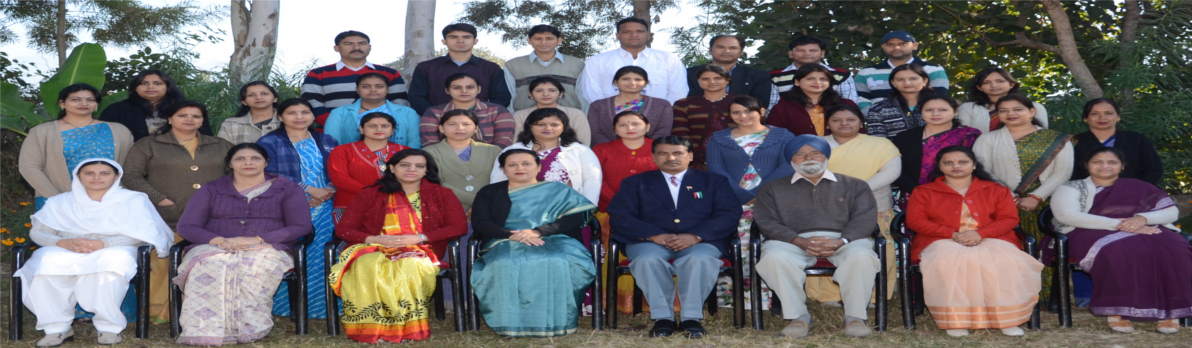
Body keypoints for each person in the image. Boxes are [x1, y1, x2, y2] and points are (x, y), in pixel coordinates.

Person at [15, 159, 173, 347]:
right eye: (89, 173)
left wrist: (103, 243)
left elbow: (144, 234)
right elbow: (38, 232)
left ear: (117, 176)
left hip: (115, 247)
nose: (96, 177)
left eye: (104, 173)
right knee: (45, 267)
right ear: (78, 176)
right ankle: (56, 328)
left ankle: (109, 328)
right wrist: (62, 242)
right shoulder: (60, 201)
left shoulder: (133, 200)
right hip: (65, 247)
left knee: (108, 267)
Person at [173, 144, 312, 345]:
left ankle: (247, 328)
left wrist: (258, 240)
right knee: (209, 265)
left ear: (266, 162)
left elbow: (300, 226)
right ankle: (204, 330)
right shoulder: (212, 189)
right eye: (240, 158)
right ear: (230, 163)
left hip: (267, 247)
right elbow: (187, 226)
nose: (248, 162)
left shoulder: (287, 189)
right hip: (215, 246)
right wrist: (219, 241)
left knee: (250, 267)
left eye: (255, 158)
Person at [608, 136, 742, 338]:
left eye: (677, 153)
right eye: (663, 153)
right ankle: (664, 318)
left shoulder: (713, 182)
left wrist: (697, 235)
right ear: (653, 157)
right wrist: (653, 235)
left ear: (689, 156)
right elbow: (620, 216)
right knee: (647, 260)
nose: (670, 157)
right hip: (649, 241)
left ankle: (691, 318)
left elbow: (729, 214)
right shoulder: (635, 183)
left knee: (699, 260)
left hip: (700, 241)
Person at [329, 149, 468, 343]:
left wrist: (419, 237)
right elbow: (343, 229)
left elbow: (459, 226)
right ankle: (372, 327)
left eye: (419, 166)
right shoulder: (369, 194)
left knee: (409, 265)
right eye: (405, 165)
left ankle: (404, 326)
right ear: (392, 168)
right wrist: (373, 239)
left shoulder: (441, 194)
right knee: (365, 266)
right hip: (374, 246)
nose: (412, 169)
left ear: (427, 171)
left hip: (420, 248)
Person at [1051, 147, 1191, 334]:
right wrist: (1120, 225)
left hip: (1145, 227)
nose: (1105, 166)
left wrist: (1142, 219)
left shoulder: (1140, 186)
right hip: (1090, 230)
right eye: (1097, 161)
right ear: (1087, 165)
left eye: (1112, 162)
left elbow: (1171, 211)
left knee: (1175, 248)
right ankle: (1118, 313)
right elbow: (1067, 215)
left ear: (1122, 166)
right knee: (1119, 251)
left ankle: (1169, 313)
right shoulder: (1071, 187)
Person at [906, 145, 1041, 337]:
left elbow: (1009, 219)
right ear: (940, 166)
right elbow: (915, 221)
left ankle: (1006, 319)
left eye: (962, 162)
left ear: (974, 165)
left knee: (1005, 261)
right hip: (940, 239)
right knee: (949, 261)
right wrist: (952, 234)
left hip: (991, 237)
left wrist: (980, 233)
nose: (956, 166)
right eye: (949, 163)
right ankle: (956, 320)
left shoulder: (997, 190)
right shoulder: (924, 191)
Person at [753, 135, 880, 338]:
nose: (808, 158)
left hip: (844, 239)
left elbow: (865, 219)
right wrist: (799, 241)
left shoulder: (854, 185)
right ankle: (798, 317)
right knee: (773, 257)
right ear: (791, 160)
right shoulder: (772, 188)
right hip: (792, 241)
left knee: (861, 256)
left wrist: (842, 240)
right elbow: (767, 221)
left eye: (815, 153)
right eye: (800, 154)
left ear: (826, 156)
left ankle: (855, 318)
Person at [122, 101, 234, 323]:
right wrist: (160, 199)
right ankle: (161, 312)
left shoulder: (221, 145)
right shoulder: (149, 144)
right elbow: (130, 176)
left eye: (196, 116)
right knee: (164, 262)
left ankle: (209, 310)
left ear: (203, 121)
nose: (190, 119)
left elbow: (236, 174)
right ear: (170, 119)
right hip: (166, 216)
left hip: (213, 218)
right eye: (183, 115)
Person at [470, 149, 597, 337]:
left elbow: (574, 218)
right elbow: (480, 221)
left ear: (538, 167)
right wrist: (511, 234)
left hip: (556, 239)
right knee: (504, 263)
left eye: (526, 163)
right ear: (504, 169)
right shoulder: (490, 192)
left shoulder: (558, 190)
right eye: (512, 164)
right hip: (504, 240)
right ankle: (509, 323)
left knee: (557, 261)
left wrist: (538, 231)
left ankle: (558, 323)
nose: (519, 168)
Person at [973, 93, 1074, 306]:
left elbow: (1063, 171)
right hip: (999, 205)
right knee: (1006, 249)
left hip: (1047, 205)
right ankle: (1006, 298)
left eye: (1017, 109)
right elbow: (983, 171)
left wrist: (1037, 196)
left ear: (1032, 112)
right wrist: (1010, 198)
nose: (1011, 114)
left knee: (1045, 248)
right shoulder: (987, 140)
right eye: (1004, 110)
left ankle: (1044, 298)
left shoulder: (1057, 139)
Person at [806, 104, 900, 306]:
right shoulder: (816, 144)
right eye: (837, 120)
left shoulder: (880, 144)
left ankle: (873, 294)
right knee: (825, 245)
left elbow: (891, 172)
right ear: (828, 124)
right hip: (825, 206)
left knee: (876, 249)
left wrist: (857, 189)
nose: (844, 124)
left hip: (873, 204)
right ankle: (829, 294)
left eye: (850, 119)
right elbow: (806, 171)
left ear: (861, 122)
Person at [256, 98, 340, 319]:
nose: (299, 117)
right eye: (292, 112)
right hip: (289, 206)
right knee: (292, 254)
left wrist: (328, 190)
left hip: (325, 205)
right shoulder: (270, 141)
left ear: (313, 116)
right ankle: (286, 306)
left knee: (323, 254)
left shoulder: (327, 139)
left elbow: (340, 168)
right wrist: (308, 189)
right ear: (281, 117)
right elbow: (268, 172)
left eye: (305, 112)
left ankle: (324, 306)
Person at [20, 83, 134, 210]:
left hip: (109, 201)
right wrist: (58, 198)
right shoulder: (42, 132)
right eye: (76, 99)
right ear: (62, 103)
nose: (84, 103)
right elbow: (29, 167)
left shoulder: (119, 131)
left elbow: (130, 167)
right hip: (57, 200)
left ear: (96, 104)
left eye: (90, 100)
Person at [591, 111, 659, 313]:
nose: (630, 128)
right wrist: (622, 205)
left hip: (655, 211)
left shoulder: (661, 148)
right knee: (607, 233)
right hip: (611, 210)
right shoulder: (601, 149)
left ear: (647, 126)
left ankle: (653, 302)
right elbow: (596, 181)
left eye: (635, 123)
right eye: (623, 124)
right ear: (614, 129)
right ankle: (613, 301)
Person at [492, 108, 602, 205]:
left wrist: (587, 207)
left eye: (554, 125)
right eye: (541, 124)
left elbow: (592, 180)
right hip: (519, 206)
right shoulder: (512, 150)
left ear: (563, 127)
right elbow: (498, 179)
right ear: (530, 126)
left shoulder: (579, 150)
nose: (548, 128)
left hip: (566, 206)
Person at [302, 30, 409, 130]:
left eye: (362, 43)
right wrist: (341, 126)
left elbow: (399, 105)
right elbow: (313, 106)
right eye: (348, 44)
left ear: (369, 47)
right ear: (337, 48)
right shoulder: (318, 74)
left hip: (381, 133)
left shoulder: (390, 73)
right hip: (333, 134)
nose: (356, 47)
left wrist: (375, 126)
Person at [408, 23, 511, 115]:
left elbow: (501, 98)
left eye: (466, 37)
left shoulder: (491, 68)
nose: (460, 41)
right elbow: (416, 97)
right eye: (453, 37)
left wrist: (481, 116)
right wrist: (437, 116)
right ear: (444, 41)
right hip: (437, 124)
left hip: (482, 123)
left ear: (475, 41)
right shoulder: (426, 68)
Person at [891, 95, 982, 198]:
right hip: (913, 195)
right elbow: (894, 169)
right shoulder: (905, 137)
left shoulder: (969, 135)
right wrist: (918, 191)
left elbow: (977, 167)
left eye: (943, 109)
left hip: (957, 195)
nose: (935, 114)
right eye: (929, 110)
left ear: (955, 111)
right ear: (921, 112)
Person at [580, 17, 688, 104]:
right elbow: (591, 92)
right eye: (627, 32)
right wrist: (612, 113)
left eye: (640, 31)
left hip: (659, 119)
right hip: (611, 119)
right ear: (617, 36)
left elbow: (679, 91)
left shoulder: (669, 59)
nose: (634, 35)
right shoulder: (597, 61)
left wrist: (660, 112)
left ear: (648, 35)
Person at [327, 113, 412, 221]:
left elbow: (414, 177)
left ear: (393, 130)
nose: (379, 129)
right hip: (352, 205)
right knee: (356, 237)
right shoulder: (343, 151)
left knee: (395, 238)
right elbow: (340, 180)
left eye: (385, 126)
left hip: (397, 206)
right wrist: (374, 194)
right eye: (372, 126)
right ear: (361, 129)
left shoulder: (406, 151)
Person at [1070, 98, 1163, 185]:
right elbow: (1068, 172)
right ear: (1085, 117)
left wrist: (1139, 190)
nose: (1102, 118)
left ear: (1118, 116)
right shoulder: (1072, 142)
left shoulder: (1137, 139)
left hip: (1133, 197)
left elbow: (1154, 169)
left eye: (1108, 113)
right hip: (1087, 197)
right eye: (1094, 113)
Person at [424, 110, 502, 212]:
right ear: (441, 128)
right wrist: (478, 202)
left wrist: (482, 205)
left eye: (466, 124)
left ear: (476, 128)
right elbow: (436, 183)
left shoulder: (493, 151)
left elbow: (501, 181)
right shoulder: (429, 153)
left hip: (489, 209)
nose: (460, 128)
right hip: (445, 208)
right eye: (452, 124)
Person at [853, 31, 948, 114]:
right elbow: (860, 99)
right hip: (880, 125)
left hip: (925, 125)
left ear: (915, 46)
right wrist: (877, 116)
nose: (896, 47)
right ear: (883, 46)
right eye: (890, 44)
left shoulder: (933, 70)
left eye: (902, 44)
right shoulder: (866, 73)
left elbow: (938, 98)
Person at [101, 69, 207, 141]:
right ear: (135, 87)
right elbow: (104, 140)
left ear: (168, 86)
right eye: (144, 83)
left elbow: (206, 138)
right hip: (131, 163)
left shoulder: (187, 109)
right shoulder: (116, 110)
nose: (150, 87)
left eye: (157, 83)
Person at [323, 73, 421, 148]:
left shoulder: (407, 113)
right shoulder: (339, 113)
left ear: (387, 89)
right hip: (352, 165)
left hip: (399, 166)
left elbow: (415, 144)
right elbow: (332, 145)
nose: (373, 90)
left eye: (379, 86)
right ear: (357, 89)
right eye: (366, 86)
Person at [418, 73, 516, 148]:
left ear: (479, 89)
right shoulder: (434, 113)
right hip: (444, 163)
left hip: (491, 162)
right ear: (447, 90)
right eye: (457, 88)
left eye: (470, 87)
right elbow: (430, 144)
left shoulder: (497, 111)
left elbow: (504, 142)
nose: (464, 91)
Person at [503, 24, 587, 112]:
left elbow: (583, 96)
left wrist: (584, 120)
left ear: (559, 40)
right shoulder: (513, 65)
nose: (543, 42)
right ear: (529, 41)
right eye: (538, 39)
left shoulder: (576, 64)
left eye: (549, 38)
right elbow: (509, 97)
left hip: (570, 120)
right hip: (525, 121)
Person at [672, 64, 741, 170]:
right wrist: (698, 154)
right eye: (705, 79)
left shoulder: (742, 102)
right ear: (698, 81)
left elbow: (752, 128)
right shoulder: (683, 104)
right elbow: (680, 132)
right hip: (695, 161)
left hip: (739, 158)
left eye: (717, 78)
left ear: (728, 80)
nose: (712, 82)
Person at [588, 66, 674, 145]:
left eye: (638, 79)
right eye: (625, 79)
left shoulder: (662, 105)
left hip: (649, 154)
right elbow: (595, 132)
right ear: (616, 82)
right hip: (608, 155)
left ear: (645, 83)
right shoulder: (598, 106)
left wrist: (646, 148)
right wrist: (613, 150)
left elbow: (663, 130)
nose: (632, 82)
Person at [768, 64, 859, 136]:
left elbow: (860, 133)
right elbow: (775, 138)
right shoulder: (782, 108)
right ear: (797, 82)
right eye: (810, 78)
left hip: (843, 154)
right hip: (798, 155)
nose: (818, 82)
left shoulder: (846, 105)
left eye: (823, 79)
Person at [685, 35, 773, 107]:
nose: (726, 51)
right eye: (720, 47)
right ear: (710, 49)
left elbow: (760, 104)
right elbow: (687, 101)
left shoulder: (758, 76)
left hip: (743, 123)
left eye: (733, 48)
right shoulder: (689, 74)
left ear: (741, 51)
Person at [770, 35, 858, 105]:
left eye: (813, 50)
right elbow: (771, 106)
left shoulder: (841, 75)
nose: (807, 53)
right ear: (790, 54)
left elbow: (849, 104)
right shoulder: (775, 77)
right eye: (801, 50)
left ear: (822, 53)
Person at [956, 67, 1048, 133]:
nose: (994, 85)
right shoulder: (968, 108)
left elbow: (1043, 134)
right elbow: (964, 136)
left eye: (1000, 81)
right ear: (979, 87)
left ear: (1012, 84)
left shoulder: (1035, 107)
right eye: (987, 82)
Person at [511, 76, 593, 145]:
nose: (546, 94)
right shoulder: (520, 115)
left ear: (561, 94)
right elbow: (516, 142)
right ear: (530, 94)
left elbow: (584, 143)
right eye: (539, 90)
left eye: (552, 90)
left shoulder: (575, 114)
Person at [865, 64, 935, 138]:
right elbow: (877, 141)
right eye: (900, 79)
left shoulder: (940, 106)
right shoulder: (879, 109)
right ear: (893, 83)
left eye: (913, 79)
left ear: (925, 81)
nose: (907, 83)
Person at [217, 81, 283, 144]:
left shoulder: (287, 120)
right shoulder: (231, 124)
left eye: (264, 93)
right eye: (251, 95)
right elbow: (223, 151)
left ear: (275, 98)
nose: (258, 97)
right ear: (244, 101)